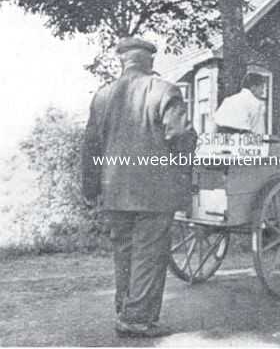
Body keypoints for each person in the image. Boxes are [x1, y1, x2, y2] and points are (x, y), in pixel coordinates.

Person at [81, 37, 197, 338]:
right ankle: (137, 319)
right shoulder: (164, 90)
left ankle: (125, 311)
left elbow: (90, 146)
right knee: (149, 253)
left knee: (124, 252)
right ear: (150, 62)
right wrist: (183, 175)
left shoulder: (102, 95)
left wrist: (90, 189)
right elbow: (181, 136)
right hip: (154, 191)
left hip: (114, 189)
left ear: (123, 61)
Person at [214, 66, 268, 135]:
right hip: (245, 142)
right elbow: (259, 133)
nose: (262, 92)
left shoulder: (228, 100)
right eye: (261, 88)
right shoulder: (257, 104)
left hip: (223, 141)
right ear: (253, 87)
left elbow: (215, 124)